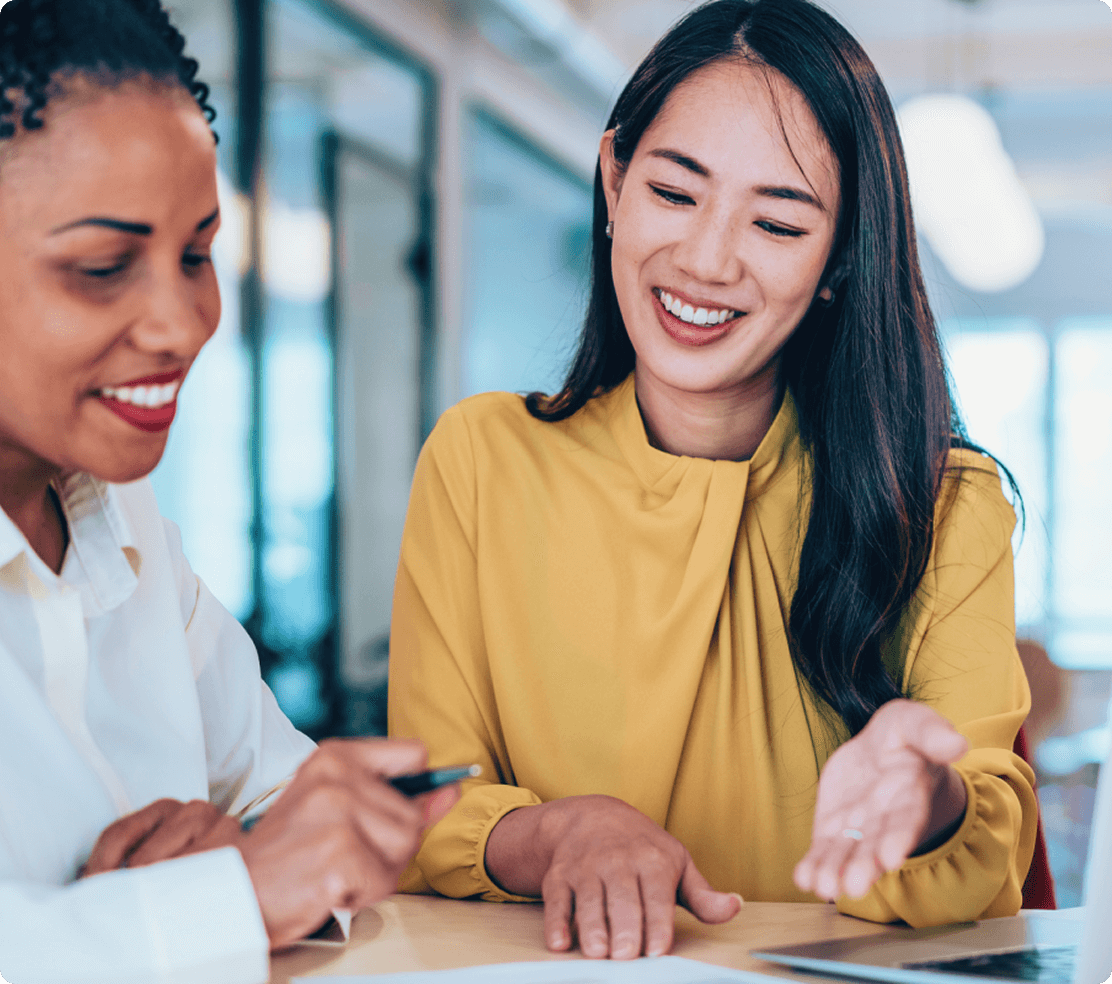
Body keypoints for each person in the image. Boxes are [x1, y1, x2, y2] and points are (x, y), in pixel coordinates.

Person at [388, 0, 1037, 962]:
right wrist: (562, 832)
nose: (705, 259)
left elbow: (989, 847)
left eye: (777, 222)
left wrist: (931, 799)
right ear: (613, 180)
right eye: (675, 192)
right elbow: (429, 805)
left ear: (839, 261)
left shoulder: (941, 501)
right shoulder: (481, 460)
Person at [0, 2, 456, 982]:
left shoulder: (125, 530)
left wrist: (232, 876)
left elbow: (291, 801)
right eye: (103, 267)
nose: (181, 323)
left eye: (197, 255)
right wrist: (227, 899)